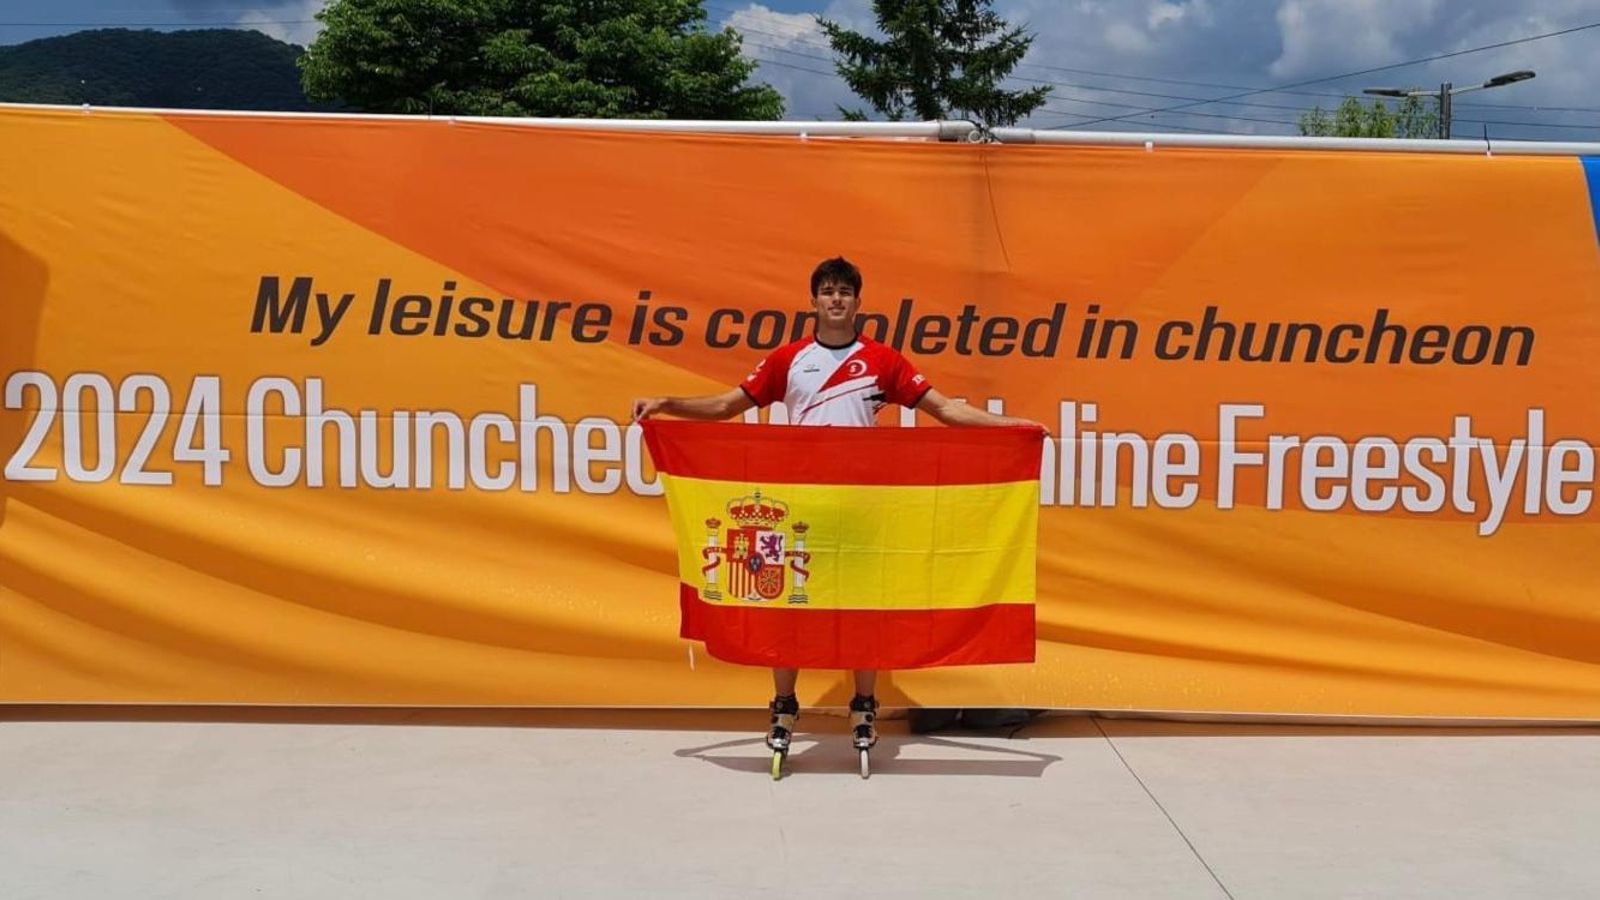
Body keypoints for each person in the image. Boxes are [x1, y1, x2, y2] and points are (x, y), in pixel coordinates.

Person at [632, 256, 1042, 757]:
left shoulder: (883, 361)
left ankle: (863, 706)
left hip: (861, 508)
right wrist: (667, 403)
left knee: (863, 609)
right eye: (827, 291)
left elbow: (946, 410)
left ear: (857, 302)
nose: (835, 299)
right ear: (813, 300)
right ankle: (784, 704)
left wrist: (1012, 429)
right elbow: (725, 406)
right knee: (787, 607)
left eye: (844, 292)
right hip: (800, 507)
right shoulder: (788, 360)